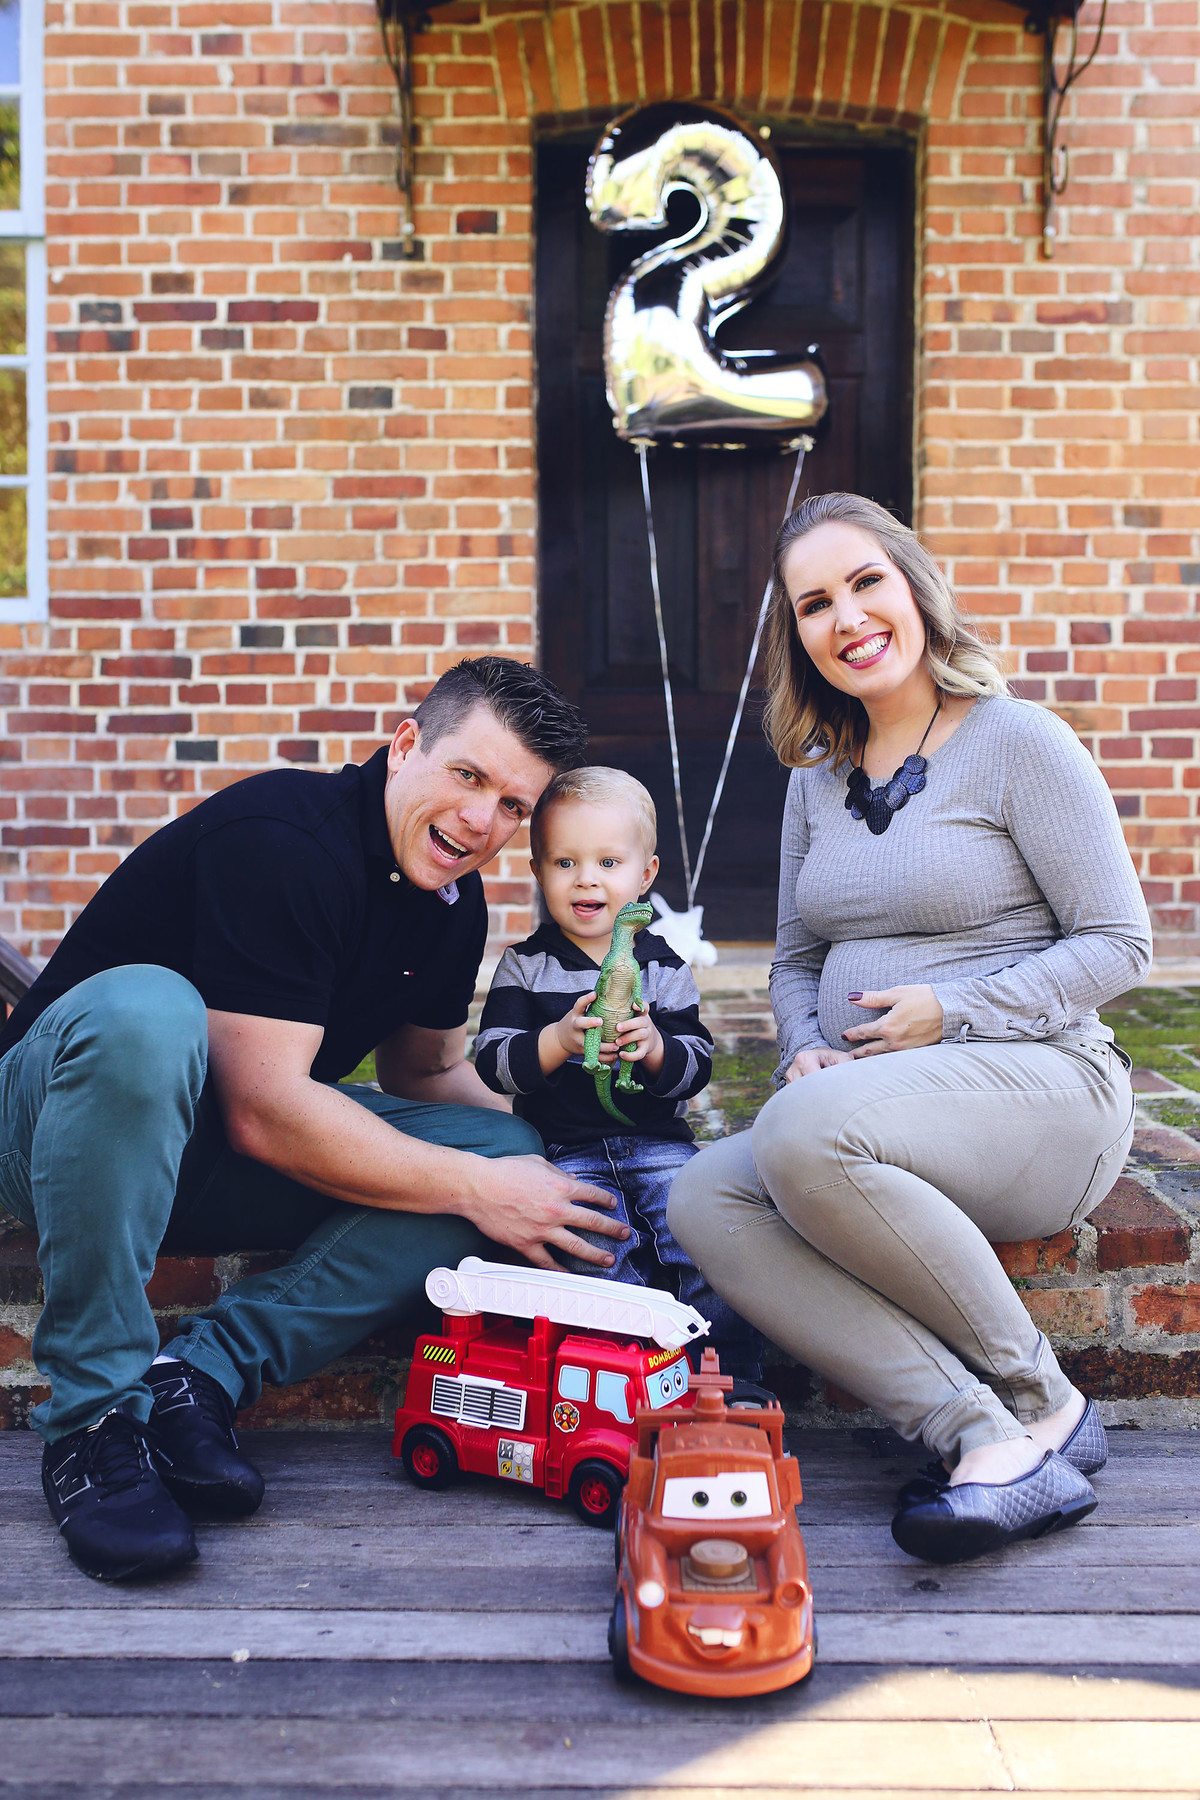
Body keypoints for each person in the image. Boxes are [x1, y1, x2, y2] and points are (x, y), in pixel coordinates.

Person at [0, 656, 632, 1582]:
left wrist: (573, 1143)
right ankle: (93, 1419)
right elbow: (267, 1112)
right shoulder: (285, 839)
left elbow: (429, 1074)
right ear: (406, 744)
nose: (479, 821)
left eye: (512, 806)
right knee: (149, 1009)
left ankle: (199, 1377)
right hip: (55, 1135)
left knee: (509, 1149)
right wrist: (477, 1187)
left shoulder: (450, 906)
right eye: (468, 777)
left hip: (201, 1168)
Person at [667, 492, 1151, 1565]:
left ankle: (1046, 1401)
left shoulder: (1020, 740)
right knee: (704, 1193)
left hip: (1045, 1092)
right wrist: (803, 1046)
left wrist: (955, 1011)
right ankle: (979, 1436)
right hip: (881, 1117)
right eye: (814, 604)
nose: (846, 618)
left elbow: (1121, 945)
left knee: (801, 1138)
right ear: (798, 637)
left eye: (865, 582)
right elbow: (794, 960)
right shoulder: (816, 781)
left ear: (917, 589)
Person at [474, 767, 762, 1379]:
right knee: (595, 1255)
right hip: (564, 1154)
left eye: (609, 862)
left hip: (659, 1146)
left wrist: (655, 1047)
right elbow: (494, 1064)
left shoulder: (662, 967)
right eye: (564, 863)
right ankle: (641, 1374)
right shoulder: (524, 968)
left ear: (645, 875)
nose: (587, 879)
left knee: (708, 1238)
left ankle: (729, 1377)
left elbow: (697, 1065)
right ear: (537, 871)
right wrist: (553, 1042)